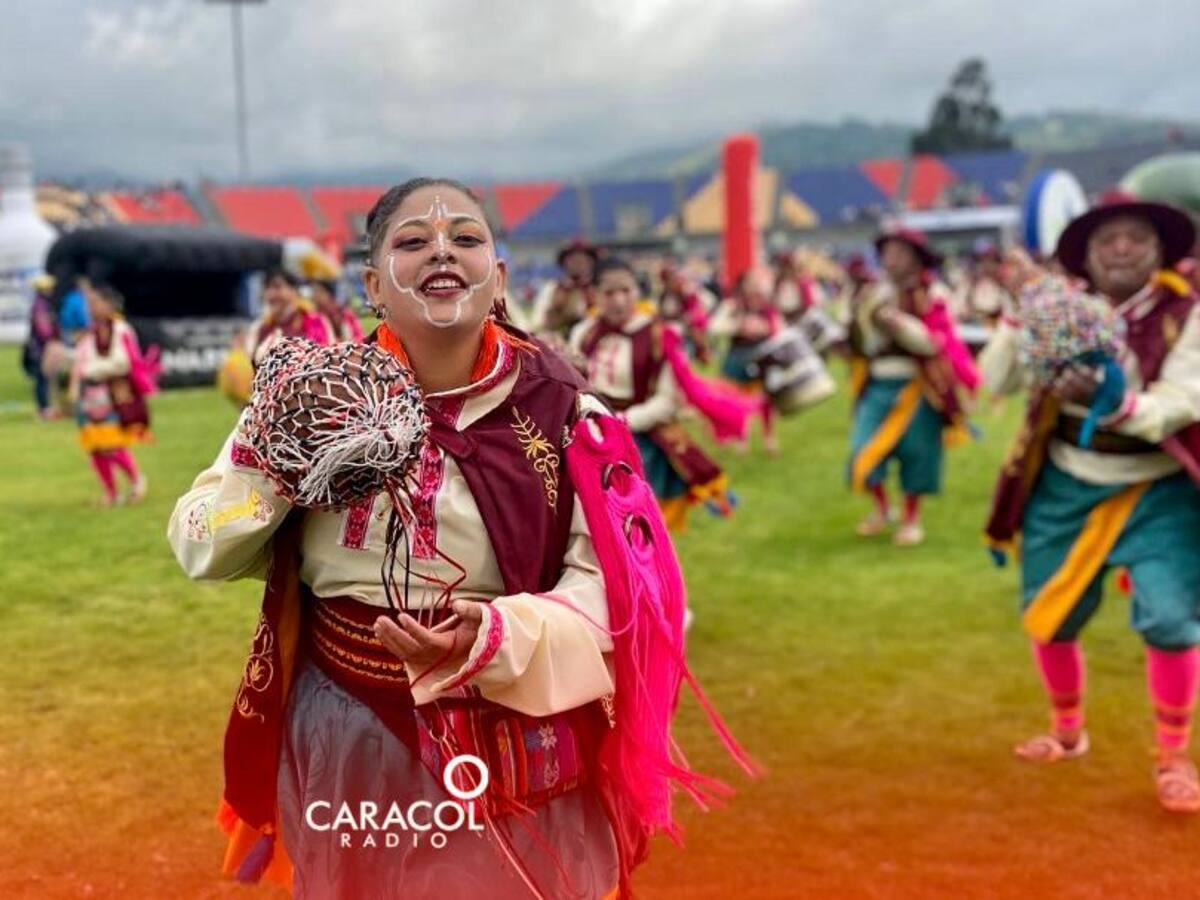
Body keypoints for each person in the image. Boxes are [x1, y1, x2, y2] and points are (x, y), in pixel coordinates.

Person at [169, 178, 742, 899]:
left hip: (515, 718)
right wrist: (279, 470)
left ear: (498, 276)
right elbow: (197, 541)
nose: (442, 250)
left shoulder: (566, 411)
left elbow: (627, 589)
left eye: (466, 238)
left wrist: (500, 634)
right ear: (374, 282)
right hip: (348, 723)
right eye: (412, 241)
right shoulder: (310, 400)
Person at [981, 190, 1200, 813]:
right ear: (1087, 255)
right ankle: (1067, 731)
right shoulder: (1059, 306)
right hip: (1065, 482)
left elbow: (1187, 396)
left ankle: (1173, 756)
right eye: (1108, 241)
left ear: (1160, 250)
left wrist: (1121, 403)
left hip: (1157, 485)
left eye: (1136, 238)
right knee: (1048, 613)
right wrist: (1025, 318)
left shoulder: (1186, 313)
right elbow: (994, 381)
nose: (1122, 250)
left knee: (1170, 619)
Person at [571, 257, 739, 531]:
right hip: (589, 436)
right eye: (610, 293)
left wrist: (622, 421)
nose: (619, 300)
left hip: (640, 437)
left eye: (626, 291)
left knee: (641, 528)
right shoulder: (583, 334)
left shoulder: (660, 334)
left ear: (638, 291)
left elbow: (667, 400)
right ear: (596, 295)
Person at [846, 228, 978, 546]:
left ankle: (911, 518)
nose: (891, 259)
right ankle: (882, 509)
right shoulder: (871, 293)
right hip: (877, 383)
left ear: (915, 259)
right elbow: (858, 340)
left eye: (899, 252)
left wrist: (900, 325)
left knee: (918, 454)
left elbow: (935, 344)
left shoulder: (933, 294)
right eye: (888, 252)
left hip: (918, 386)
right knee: (862, 449)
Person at [70, 280, 151, 506]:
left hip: (112, 394)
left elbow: (123, 362)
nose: (91, 307)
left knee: (111, 443)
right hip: (90, 395)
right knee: (94, 446)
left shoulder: (120, 330)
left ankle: (136, 480)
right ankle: (111, 492)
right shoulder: (90, 333)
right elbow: (81, 361)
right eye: (90, 303)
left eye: (95, 302)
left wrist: (92, 369)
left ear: (109, 304)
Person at [709, 265, 783, 454]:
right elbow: (715, 326)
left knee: (766, 399)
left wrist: (764, 328)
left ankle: (769, 438)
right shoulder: (733, 305)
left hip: (763, 354)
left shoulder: (767, 304)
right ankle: (741, 437)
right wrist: (737, 326)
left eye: (756, 282)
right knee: (737, 398)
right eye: (750, 282)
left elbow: (779, 327)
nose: (754, 286)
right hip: (738, 355)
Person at [243, 268, 335, 367]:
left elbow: (326, 362)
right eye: (267, 288)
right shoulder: (260, 328)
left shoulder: (315, 322)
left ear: (294, 290)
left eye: (277, 287)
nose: (271, 294)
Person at [530, 238, 598, 340]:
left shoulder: (598, 289)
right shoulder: (552, 288)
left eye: (583, 259)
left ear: (591, 262)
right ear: (564, 262)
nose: (578, 262)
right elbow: (538, 321)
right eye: (573, 259)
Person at [22, 274, 61, 419]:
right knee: (42, 378)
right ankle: (43, 408)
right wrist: (52, 340)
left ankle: (45, 407)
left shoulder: (42, 304)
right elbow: (44, 329)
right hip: (41, 349)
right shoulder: (41, 306)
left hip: (41, 347)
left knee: (44, 378)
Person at [310, 278, 365, 343]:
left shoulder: (344, 313)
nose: (315, 295)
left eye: (319, 291)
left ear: (329, 294)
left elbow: (359, 336)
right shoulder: (313, 318)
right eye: (313, 291)